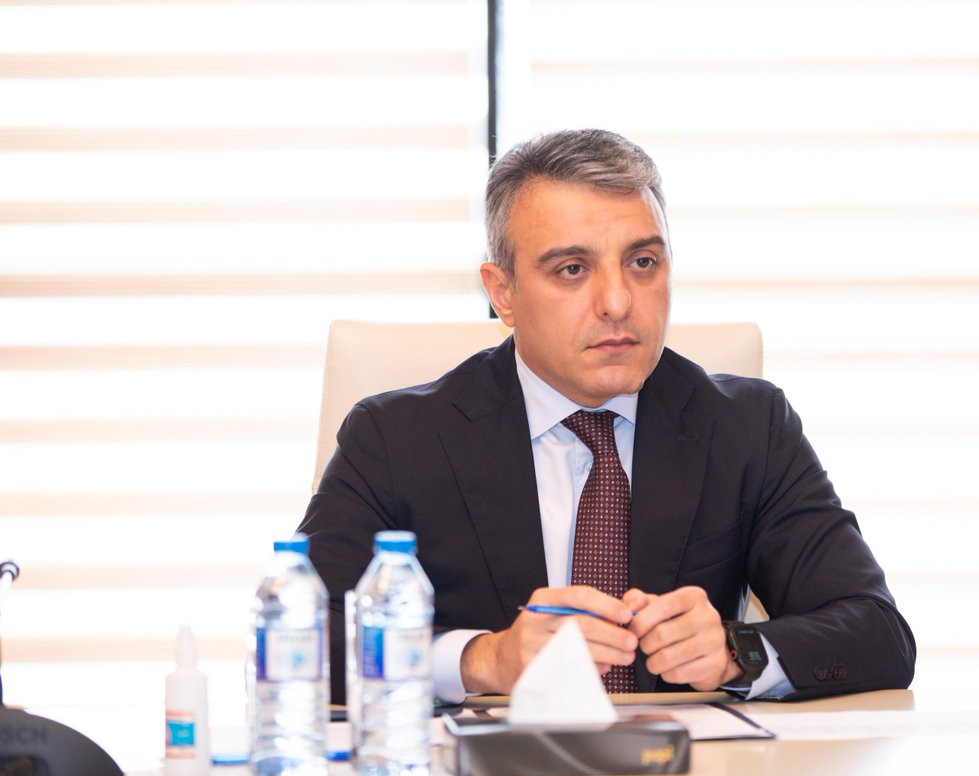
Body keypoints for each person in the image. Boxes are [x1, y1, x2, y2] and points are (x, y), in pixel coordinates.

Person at [300, 129, 915, 705]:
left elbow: (878, 632)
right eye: (572, 269)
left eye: (642, 263)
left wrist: (738, 651)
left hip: (689, 769)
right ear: (502, 292)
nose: (618, 302)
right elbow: (303, 638)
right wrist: (481, 660)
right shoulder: (396, 439)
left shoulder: (747, 427)